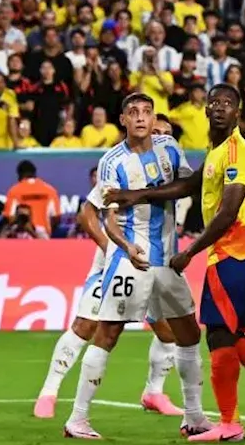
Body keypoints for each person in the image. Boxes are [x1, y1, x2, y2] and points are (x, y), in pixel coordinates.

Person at [106, 84, 245, 443]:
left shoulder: (237, 152)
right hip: (231, 253)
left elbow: (228, 212)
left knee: (217, 334)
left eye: (228, 104)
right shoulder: (216, 149)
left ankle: (231, 422)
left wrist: (190, 251)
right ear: (206, 110)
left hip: (236, 251)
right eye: (215, 103)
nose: (220, 108)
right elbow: (188, 186)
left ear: (238, 113)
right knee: (228, 334)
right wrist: (137, 195)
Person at [58, 93, 209, 439]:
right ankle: (77, 418)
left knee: (188, 333)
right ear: (123, 120)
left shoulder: (169, 147)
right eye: (133, 113)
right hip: (132, 261)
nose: (141, 118)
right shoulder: (113, 162)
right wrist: (125, 247)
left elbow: (187, 186)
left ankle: (195, 416)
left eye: (146, 112)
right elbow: (108, 217)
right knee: (108, 333)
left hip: (168, 260)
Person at [33, 115, 190, 422]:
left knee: (170, 331)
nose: (158, 138)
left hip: (156, 263)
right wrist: (111, 249)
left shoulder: (172, 175)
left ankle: (153, 392)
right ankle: (49, 391)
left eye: (164, 134)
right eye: (154, 131)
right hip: (119, 262)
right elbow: (87, 213)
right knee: (87, 326)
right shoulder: (123, 167)